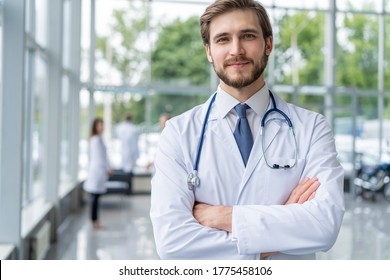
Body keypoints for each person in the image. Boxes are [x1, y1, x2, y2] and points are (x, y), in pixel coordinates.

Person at [150, 0, 345, 260]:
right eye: (222, 39)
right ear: (209, 51)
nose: (236, 50)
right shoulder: (178, 133)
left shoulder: (311, 128)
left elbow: (324, 226)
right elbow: (172, 243)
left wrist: (223, 216)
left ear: (268, 44)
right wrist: (270, 242)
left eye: (248, 36)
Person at [83, 118, 112, 229]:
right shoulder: (95, 140)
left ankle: (95, 220)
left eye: (102, 125)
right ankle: (95, 220)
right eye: (100, 125)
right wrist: (107, 169)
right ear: (95, 127)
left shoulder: (97, 139)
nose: (102, 127)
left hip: (98, 171)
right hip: (97, 171)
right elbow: (99, 158)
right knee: (95, 197)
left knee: (96, 197)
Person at [114, 114, 140, 194]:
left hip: (124, 152)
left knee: (126, 170)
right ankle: (128, 190)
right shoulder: (133, 129)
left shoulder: (120, 128)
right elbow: (136, 142)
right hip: (131, 152)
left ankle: (126, 190)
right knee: (129, 171)